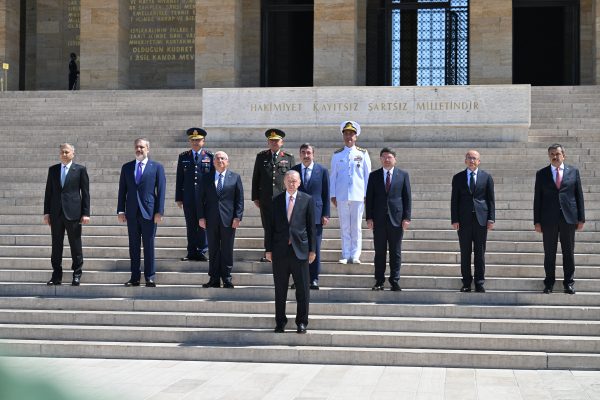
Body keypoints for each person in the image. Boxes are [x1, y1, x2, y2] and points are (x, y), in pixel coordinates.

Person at [266, 170, 316, 334]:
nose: (291, 183)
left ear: (299, 182)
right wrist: (268, 249)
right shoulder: (276, 200)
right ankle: (280, 322)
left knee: (302, 290)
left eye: (294, 180)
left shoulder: (307, 200)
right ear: (284, 182)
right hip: (280, 252)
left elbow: (311, 228)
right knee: (280, 290)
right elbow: (270, 228)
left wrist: (312, 250)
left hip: (300, 252)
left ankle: (302, 322)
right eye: (288, 180)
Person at [534, 143, 585, 295]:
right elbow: (538, 199)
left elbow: (579, 196)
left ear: (564, 155)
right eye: (552, 155)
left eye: (557, 154)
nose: (555, 157)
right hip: (548, 220)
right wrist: (537, 221)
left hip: (568, 219)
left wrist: (581, 218)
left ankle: (568, 283)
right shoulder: (541, 173)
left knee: (568, 252)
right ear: (549, 156)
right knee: (549, 253)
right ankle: (549, 282)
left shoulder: (573, 172)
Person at [117, 138, 166, 287]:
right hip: (131, 212)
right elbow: (122, 190)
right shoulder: (127, 167)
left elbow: (161, 190)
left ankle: (150, 277)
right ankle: (135, 277)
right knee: (133, 246)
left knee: (149, 245)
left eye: (142, 147)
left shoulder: (156, 167)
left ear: (148, 149)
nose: (139, 150)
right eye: (137, 147)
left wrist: (159, 211)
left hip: (149, 213)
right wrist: (120, 210)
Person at [43, 143, 90, 286]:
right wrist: (46, 212)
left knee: (75, 245)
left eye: (67, 152)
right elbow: (48, 192)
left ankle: (77, 274)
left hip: (73, 213)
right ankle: (56, 275)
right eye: (62, 152)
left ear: (73, 154)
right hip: (56, 214)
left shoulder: (80, 170)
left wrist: (86, 213)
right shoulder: (53, 170)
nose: (64, 154)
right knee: (56, 246)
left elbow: (86, 193)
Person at [365, 147, 411, 291]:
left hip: (396, 220)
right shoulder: (374, 176)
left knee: (395, 252)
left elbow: (407, 198)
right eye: (384, 157)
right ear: (380, 159)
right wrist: (369, 217)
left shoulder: (403, 175)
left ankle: (394, 280)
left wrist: (407, 217)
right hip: (378, 219)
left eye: (389, 157)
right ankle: (379, 281)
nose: (386, 159)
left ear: (394, 159)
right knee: (379, 252)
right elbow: (370, 198)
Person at [451, 150, 495, 293]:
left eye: (474, 158)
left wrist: (491, 218)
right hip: (463, 221)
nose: (471, 160)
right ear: (465, 160)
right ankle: (466, 283)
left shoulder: (486, 177)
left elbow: (490, 200)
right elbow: (454, 200)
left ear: (479, 161)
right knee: (465, 252)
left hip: (481, 220)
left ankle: (479, 282)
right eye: (469, 158)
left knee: (479, 253)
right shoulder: (458, 177)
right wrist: (455, 219)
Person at [198, 151, 244, 288]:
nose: (220, 161)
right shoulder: (206, 178)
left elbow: (239, 200)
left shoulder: (235, 177)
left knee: (227, 249)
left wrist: (238, 216)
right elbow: (200, 199)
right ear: (213, 162)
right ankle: (214, 278)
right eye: (217, 158)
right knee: (213, 249)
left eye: (223, 158)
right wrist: (201, 217)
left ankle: (227, 278)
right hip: (211, 219)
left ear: (227, 161)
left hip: (229, 220)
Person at [330, 120, 371, 264]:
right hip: (341, 195)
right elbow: (333, 175)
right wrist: (332, 194)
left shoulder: (363, 153)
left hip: (358, 195)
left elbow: (367, 175)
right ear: (343, 136)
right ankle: (345, 254)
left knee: (356, 226)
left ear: (356, 137)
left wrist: (367, 194)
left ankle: (355, 254)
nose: (349, 137)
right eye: (346, 134)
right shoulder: (337, 155)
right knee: (345, 226)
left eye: (351, 134)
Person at [252, 129, 295, 262]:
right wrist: (255, 197)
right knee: (268, 227)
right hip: (266, 200)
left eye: (276, 140)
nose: (274, 143)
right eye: (271, 141)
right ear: (268, 142)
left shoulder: (288, 158)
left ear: (281, 142)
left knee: (283, 227)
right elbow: (256, 178)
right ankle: (268, 252)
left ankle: (282, 252)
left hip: (283, 200)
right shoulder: (261, 157)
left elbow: (292, 178)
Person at [292, 143, 329, 290]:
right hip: (297, 215)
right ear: (299, 154)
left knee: (315, 248)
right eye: (303, 153)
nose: (306, 156)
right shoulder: (293, 171)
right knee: (298, 249)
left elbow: (326, 194)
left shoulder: (322, 171)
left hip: (316, 215)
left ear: (313, 154)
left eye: (308, 153)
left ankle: (313, 279)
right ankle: (299, 279)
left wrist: (326, 213)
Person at [175, 127, 213, 262]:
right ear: (189, 141)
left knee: (203, 224)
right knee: (190, 225)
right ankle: (191, 251)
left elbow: (212, 179)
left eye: (198, 140)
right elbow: (180, 178)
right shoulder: (183, 156)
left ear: (203, 141)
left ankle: (202, 250)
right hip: (189, 197)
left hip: (204, 199)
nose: (195, 142)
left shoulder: (210, 156)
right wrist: (178, 197)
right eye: (193, 140)